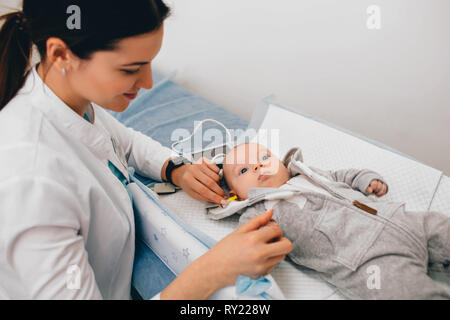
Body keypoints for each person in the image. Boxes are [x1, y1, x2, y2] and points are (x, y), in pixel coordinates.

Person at [0, 1, 293, 299]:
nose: (149, 82)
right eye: (131, 69)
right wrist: (213, 270)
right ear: (61, 54)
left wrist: (176, 169)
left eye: (149, 63)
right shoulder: (31, 185)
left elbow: (124, 141)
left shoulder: (68, 99)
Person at [222, 142, 450, 299]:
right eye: (243, 170)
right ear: (236, 194)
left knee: (441, 227)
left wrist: (365, 179)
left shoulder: (307, 173)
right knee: (404, 292)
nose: (258, 166)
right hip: (367, 261)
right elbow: (248, 246)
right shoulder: (259, 212)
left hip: (401, 220)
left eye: (264, 157)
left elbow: (343, 176)